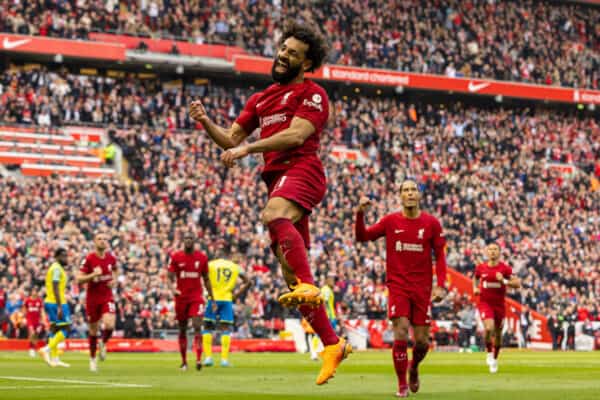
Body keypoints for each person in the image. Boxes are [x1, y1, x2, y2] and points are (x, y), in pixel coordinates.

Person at [189, 20, 351, 385]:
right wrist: (206, 123)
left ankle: (310, 286)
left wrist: (249, 147)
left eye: (293, 53)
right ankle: (331, 344)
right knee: (289, 276)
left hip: (303, 170)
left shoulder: (313, 94)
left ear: (306, 64)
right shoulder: (259, 99)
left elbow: (296, 136)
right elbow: (231, 139)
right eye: (283, 48)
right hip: (277, 179)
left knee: (273, 215)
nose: (284, 55)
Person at [355, 180, 447, 398]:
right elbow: (362, 237)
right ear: (400, 196)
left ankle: (414, 367)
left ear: (419, 195)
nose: (410, 193)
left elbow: (440, 257)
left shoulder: (431, 224)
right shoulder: (390, 221)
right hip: (398, 286)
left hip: (422, 289)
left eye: (413, 189)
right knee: (401, 331)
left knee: (423, 341)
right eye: (405, 190)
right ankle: (401, 385)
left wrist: (441, 286)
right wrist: (359, 214)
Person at [168, 231, 216, 371]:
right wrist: (172, 288)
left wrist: (212, 298)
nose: (188, 241)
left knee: (197, 325)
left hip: (196, 297)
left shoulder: (201, 258)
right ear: (183, 241)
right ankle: (184, 362)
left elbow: (206, 278)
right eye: (186, 238)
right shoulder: (176, 257)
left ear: (194, 241)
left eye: (191, 238)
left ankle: (199, 359)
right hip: (181, 297)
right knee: (182, 328)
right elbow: (169, 276)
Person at [473, 243, 521, 373]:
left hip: (499, 305)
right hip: (485, 303)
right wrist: (475, 288)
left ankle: (495, 358)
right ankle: (489, 352)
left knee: (499, 334)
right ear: (486, 252)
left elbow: (517, 284)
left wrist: (504, 281)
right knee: (489, 328)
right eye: (490, 249)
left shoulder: (504, 269)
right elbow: (476, 278)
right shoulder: (481, 268)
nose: (492, 252)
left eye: (495, 249)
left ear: (499, 252)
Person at [76, 232, 118, 372]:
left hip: (107, 296)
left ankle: (103, 343)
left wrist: (115, 280)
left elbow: (116, 270)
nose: (102, 241)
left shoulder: (111, 258)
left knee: (110, 324)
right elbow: (79, 278)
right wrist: (93, 274)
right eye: (100, 238)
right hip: (92, 298)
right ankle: (93, 359)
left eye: (105, 238)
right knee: (93, 330)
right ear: (94, 242)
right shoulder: (89, 259)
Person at [202, 254, 251, 367]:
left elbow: (205, 279)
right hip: (227, 300)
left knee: (207, 326)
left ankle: (208, 358)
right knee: (225, 328)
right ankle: (224, 360)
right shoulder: (234, 266)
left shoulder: (210, 265)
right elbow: (248, 282)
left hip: (213, 298)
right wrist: (236, 295)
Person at [39, 248, 71, 368]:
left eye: (66, 256)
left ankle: (55, 359)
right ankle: (46, 349)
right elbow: (55, 287)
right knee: (66, 328)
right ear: (56, 257)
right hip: (57, 303)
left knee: (55, 329)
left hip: (50, 301)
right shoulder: (57, 269)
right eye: (63, 256)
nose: (65, 259)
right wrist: (59, 306)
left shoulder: (54, 267)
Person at [23, 287, 45, 357]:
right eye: (33, 291)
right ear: (31, 292)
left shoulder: (39, 301)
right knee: (32, 333)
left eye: (35, 291)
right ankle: (31, 349)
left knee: (36, 334)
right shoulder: (27, 300)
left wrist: (43, 319)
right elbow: (24, 309)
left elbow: (42, 311)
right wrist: (24, 318)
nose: (34, 292)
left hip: (37, 320)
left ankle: (33, 348)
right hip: (30, 320)